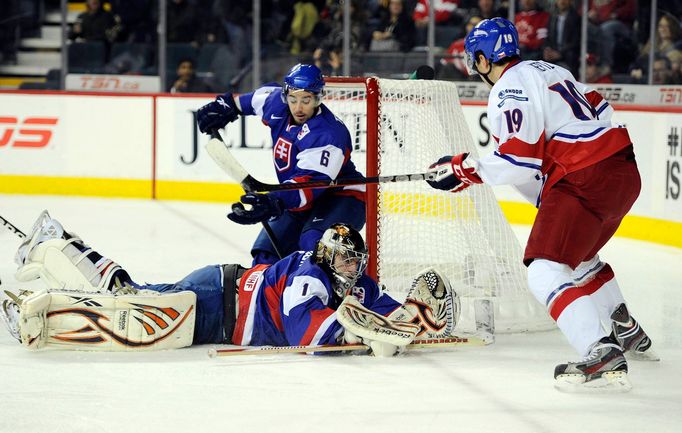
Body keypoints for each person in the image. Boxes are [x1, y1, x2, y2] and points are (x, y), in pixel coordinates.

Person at [426, 17, 654, 391]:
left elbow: (519, 160)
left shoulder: (509, 86)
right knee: (577, 256)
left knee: (543, 270)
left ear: (484, 60)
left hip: (584, 176)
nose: (475, 68)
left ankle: (600, 350)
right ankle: (624, 327)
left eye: (475, 60)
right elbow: (600, 110)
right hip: (623, 172)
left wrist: (463, 170)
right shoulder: (552, 70)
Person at [1, 211, 457, 356]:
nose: (352, 267)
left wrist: (410, 320)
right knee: (131, 307)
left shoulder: (355, 282)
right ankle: (53, 250)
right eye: (343, 257)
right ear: (326, 255)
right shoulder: (310, 275)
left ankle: (57, 247)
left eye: (355, 260)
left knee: (131, 296)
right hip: (216, 301)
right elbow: (308, 336)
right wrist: (367, 333)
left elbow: (390, 313)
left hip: (220, 301)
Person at [196, 63, 366, 266]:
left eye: (306, 100)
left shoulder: (328, 134)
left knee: (316, 248)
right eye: (293, 99)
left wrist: (273, 201)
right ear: (286, 95)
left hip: (342, 196)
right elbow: (242, 103)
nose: (298, 107)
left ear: (318, 98)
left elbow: (307, 187)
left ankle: (352, 288)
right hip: (296, 196)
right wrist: (223, 108)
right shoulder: (274, 101)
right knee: (264, 255)